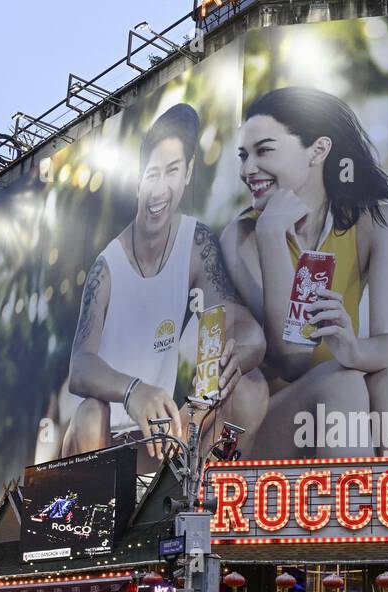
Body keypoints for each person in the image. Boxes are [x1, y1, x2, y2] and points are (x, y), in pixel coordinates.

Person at [221, 86, 388, 461]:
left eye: (264, 151)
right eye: (243, 156)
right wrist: (271, 235)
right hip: (269, 427)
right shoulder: (242, 236)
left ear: (317, 150)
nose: (248, 170)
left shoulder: (376, 219)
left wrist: (351, 347)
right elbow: (292, 358)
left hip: (341, 415)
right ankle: (357, 521)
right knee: (343, 383)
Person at [63, 102, 268, 465]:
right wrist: (132, 391)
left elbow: (232, 318)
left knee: (250, 389)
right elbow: (79, 367)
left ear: (187, 173)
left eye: (171, 171)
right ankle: (96, 517)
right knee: (92, 411)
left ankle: (199, 509)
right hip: (101, 445)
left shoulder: (195, 242)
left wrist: (248, 348)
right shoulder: (107, 266)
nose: (159, 189)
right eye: (152, 174)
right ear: (139, 179)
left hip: (160, 439)